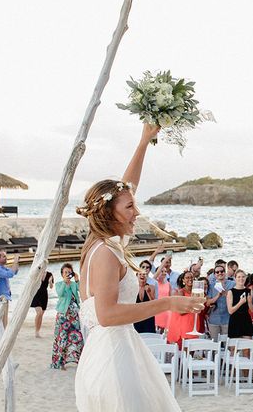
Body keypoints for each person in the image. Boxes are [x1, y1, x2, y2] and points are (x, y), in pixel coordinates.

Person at [74, 124, 204, 411]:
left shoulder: (101, 240)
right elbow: (106, 315)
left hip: (109, 351)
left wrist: (144, 141)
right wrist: (168, 302)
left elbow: (126, 188)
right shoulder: (107, 253)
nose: (137, 212)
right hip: (115, 359)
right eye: (130, 208)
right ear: (110, 213)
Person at [51, 263, 84, 370]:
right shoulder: (59, 284)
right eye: (65, 272)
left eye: (69, 272)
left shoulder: (74, 284)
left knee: (77, 336)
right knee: (63, 338)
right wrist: (65, 283)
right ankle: (61, 363)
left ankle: (79, 360)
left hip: (74, 316)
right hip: (63, 315)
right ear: (62, 274)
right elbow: (60, 294)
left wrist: (77, 279)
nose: (67, 274)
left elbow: (82, 290)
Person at [206, 263, 234, 339]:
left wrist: (226, 294)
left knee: (227, 344)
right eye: (217, 272)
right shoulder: (211, 286)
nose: (220, 273)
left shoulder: (232, 284)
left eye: (222, 271)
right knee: (214, 344)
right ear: (214, 274)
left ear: (225, 272)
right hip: (214, 319)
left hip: (227, 319)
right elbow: (208, 303)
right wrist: (218, 295)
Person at [227, 269, 253, 339]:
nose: (241, 279)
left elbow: (252, 310)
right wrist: (240, 302)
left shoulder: (249, 291)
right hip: (235, 320)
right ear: (235, 278)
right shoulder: (231, 292)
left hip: (246, 320)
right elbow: (230, 311)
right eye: (239, 277)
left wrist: (249, 302)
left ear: (245, 278)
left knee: (247, 347)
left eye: (243, 277)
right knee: (233, 348)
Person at [0, 249, 19, 326]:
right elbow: (10, 274)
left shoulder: (3, 268)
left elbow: (14, 271)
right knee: (2, 323)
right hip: (0, 299)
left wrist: (17, 261)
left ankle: (3, 337)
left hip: (4, 298)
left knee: (3, 322)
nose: (6, 258)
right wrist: (15, 262)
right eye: (4, 256)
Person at [30, 269, 54, 337]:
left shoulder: (49, 274)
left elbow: (51, 287)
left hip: (44, 296)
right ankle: (36, 331)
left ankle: (38, 331)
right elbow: (32, 283)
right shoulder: (36, 273)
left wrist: (50, 281)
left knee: (41, 315)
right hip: (36, 294)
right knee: (39, 313)